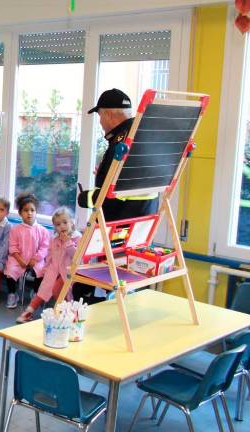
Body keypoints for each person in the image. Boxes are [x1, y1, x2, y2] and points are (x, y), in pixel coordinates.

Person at [75, 88, 160, 304]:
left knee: (98, 285)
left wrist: (86, 197)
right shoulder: (145, 133)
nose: (101, 122)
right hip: (142, 225)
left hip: (118, 229)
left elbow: (110, 196)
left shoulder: (121, 142)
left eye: (100, 116)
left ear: (109, 114)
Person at [17, 207, 81, 323]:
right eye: (58, 224)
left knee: (58, 290)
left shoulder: (77, 237)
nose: (62, 226)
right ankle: (28, 311)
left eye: (65, 222)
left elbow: (77, 257)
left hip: (68, 271)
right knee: (43, 289)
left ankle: (66, 312)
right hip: (53, 269)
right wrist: (45, 269)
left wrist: (67, 242)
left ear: (72, 222)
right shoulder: (54, 239)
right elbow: (50, 256)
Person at [4, 193, 51, 309]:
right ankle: (12, 294)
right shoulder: (15, 230)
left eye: (32, 210)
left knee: (40, 271)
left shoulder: (43, 231)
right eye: (26, 210)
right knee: (10, 270)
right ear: (20, 213)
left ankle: (36, 293)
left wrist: (35, 259)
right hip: (18, 258)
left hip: (36, 259)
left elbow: (44, 248)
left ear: (36, 212)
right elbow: (13, 247)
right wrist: (19, 260)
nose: (29, 213)